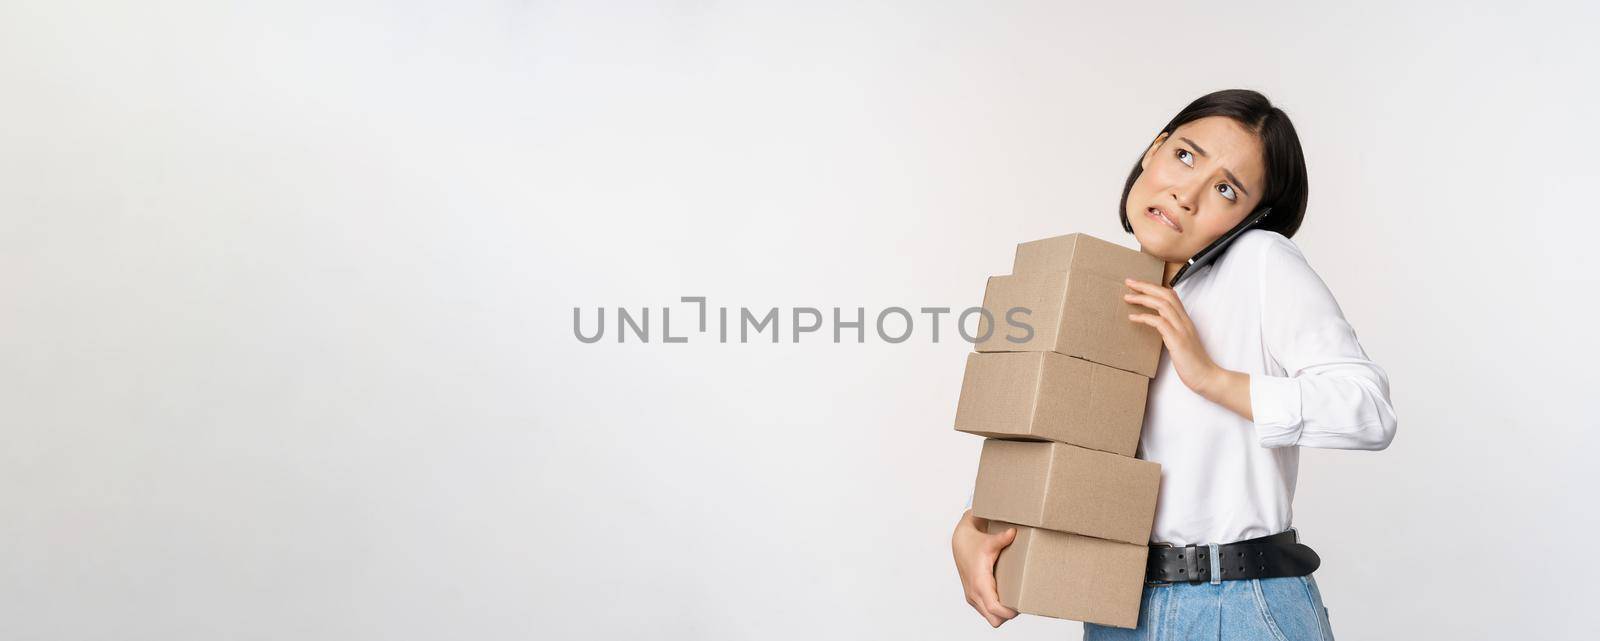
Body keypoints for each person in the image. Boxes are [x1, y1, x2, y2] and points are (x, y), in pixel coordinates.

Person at [950, 89, 1398, 640]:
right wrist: (977, 519)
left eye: (1226, 190)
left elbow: (1370, 411)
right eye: (1185, 156)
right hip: (1118, 605)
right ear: (1154, 150)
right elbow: (1072, 441)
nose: (1186, 194)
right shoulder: (1115, 286)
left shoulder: (1259, 262)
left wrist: (1209, 376)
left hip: (1233, 605)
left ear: (1250, 215)